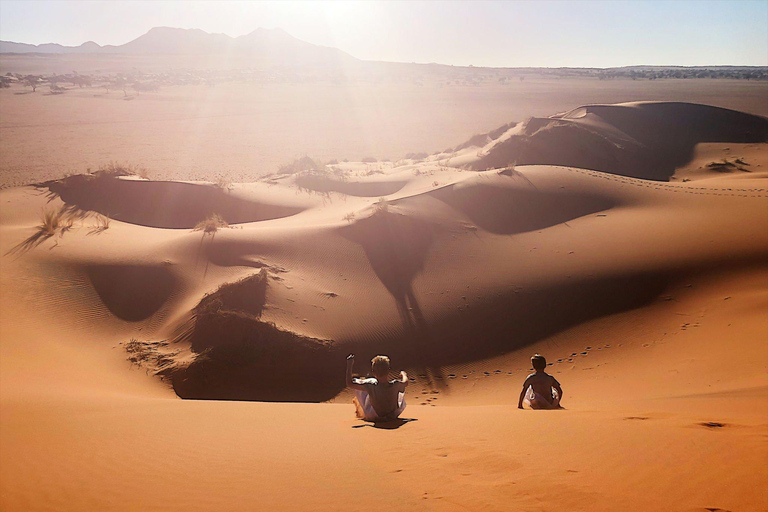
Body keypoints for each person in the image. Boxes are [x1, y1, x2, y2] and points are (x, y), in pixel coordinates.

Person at [346, 354, 408, 422]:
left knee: (368, 382)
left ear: (373, 372)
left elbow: (350, 384)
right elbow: (405, 382)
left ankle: (362, 411)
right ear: (389, 371)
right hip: (393, 415)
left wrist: (349, 365)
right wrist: (403, 374)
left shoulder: (371, 386)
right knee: (400, 390)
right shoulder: (395, 385)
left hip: (375, 417)